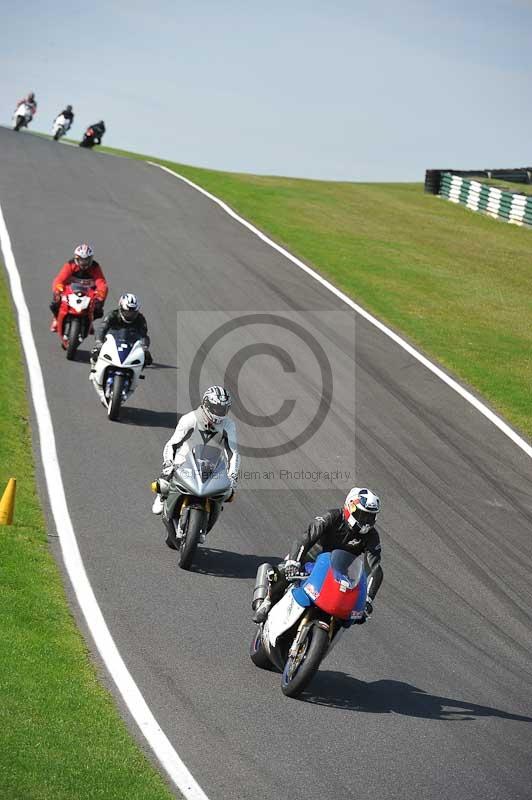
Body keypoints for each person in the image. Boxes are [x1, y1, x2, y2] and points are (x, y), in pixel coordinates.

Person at [252, 487, 384, 624]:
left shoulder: (371, 536)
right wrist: (294, 562)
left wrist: (367, 600)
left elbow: (374, 567)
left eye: (371, 517)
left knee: (351, 613)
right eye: (363, 515)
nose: (366, 521)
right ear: (350, 507)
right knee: (283, 572)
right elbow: (308, 536)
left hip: (339, 573)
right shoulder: (332, 517)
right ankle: (268, 601)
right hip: (309, 561)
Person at [152, 386, 240, 540]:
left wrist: (233, 476)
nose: (219, 412)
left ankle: (207, 521)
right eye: (216, 408)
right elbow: (172, 444)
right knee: (163, 483)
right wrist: (168, 464)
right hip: (184, 460)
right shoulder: (190, 418)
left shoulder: (229, 425)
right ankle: (162, 496)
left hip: (212, 464)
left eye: (223, 409)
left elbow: (233, 453)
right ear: (206, 404)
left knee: (227, 493)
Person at [50, 243, 108, 332]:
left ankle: (90, 321)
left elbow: (101, 283)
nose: (84, 263)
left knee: (98, 310)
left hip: (88, 293)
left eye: (87, 260)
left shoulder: (95, 267)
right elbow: (59, 279)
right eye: (82, 260)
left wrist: (100, 295)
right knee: (55, 303)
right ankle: (56, 319)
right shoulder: (70, 265)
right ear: (77, 259)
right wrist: (58, 289)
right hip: (70, 291)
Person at [90, 293, 152, 365]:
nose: (129, 315)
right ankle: (94, 371)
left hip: (130, 345)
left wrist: (144, 348)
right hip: (111, 343)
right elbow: (102, 329)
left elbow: (143, 335)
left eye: (133, 313)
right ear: (121, 308)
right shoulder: (112, 315)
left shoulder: (140, 319)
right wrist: (99, 343)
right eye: (127, 312)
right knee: (95, 356)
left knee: (144, 360)